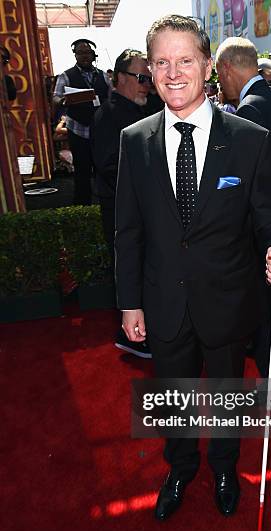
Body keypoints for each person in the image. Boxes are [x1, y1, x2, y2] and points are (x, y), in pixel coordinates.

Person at [115, 15, 271, 521]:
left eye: (185, 60)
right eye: (162, 62)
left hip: (228, 299)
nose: (174, 73)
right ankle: (179, 467)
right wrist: (129, 301)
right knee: (171, 396)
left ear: (207, 66)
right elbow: (127, 230)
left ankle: (223, 466)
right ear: (150, 70)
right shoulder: (135, 140)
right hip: (162, 300)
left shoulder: (249, 138)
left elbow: (267, 222)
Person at [215, 37, 271, 384]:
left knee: (264, 313)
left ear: (228, 68)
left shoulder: (249, 109)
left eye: (218, 73)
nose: (219, 82)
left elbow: (241, 182)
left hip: (259, 230)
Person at [91, 49, 153, 359]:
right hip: (120, 212)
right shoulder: (109, 115)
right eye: (141, 78)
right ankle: (132, 335)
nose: (146, 84)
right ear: (118, 78)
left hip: (141, 211)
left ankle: (143, 332)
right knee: (131, 270)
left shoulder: (141, 110)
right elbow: (109, 166)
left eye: (148, 78)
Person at [53, 39, 112, 205]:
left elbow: (111, 96)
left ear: (93, 55)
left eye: (87, 53)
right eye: (80, 53)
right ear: (75, 55)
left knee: (104, 170)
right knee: (82, 172)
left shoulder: (102, 76)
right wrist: (63, 101)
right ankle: (82, 207)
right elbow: (55, 97)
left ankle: (106, 205)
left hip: (99, 130)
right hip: (78, 130)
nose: (84, 56)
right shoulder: (66, 75)